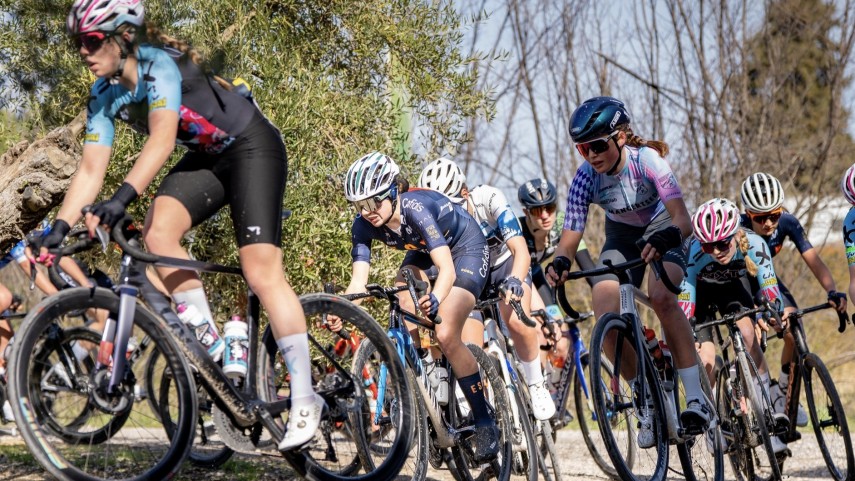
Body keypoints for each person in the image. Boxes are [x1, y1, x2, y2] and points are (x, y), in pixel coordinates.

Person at [32, 0, 320, 451]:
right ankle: (214, 344)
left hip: (251, 147)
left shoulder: (157, 64)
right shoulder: (105, 94)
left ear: (123, 36)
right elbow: (90, 170)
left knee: (261, 272)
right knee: (158, 234)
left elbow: (163, 139)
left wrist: (121, 198)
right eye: (77, 44)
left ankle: (304, 396)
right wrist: (58, 228)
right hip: (208, 157)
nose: (83, 53)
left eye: (90, 41)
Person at [546, 96, 711, 448]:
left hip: (664, 225)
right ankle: (644, 398)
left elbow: (683, 219)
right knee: (603, 306)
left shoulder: (648, 161)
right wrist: (560, 260)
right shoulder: (585, 178)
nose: (590, 155)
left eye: (597, 145)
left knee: (663, 297)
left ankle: (696, 399)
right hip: (621, 236)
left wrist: (668, 236)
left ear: (620, 137)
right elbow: (571, 234)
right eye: (582, 148)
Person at [341, 152, 500, 463]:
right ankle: (428, 382)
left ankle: (484, 419)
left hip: (465, 247)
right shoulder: (363, 225)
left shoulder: (415, 208)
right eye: (360, 206)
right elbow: (357, 282)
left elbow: (447, 270)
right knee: (402, 295)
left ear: (391, 192)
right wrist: (341, 310)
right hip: (424, 250)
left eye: (374, 202)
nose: (367, 212)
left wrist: (437, 297)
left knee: (445, 330)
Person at [417, 157, 556, 421]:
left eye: (451, 205)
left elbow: (520, 251)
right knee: (468, 343)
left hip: (504, 267)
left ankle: (536, 383)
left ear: (465, 194)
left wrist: (516, 279)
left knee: (515, 320)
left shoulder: (488, 199)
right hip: (470, 277)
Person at [679, 198, 790, 456]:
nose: (716, 251)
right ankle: (712, 428)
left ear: (734, 234)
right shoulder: (694, 252)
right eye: (709, 246)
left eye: (721, 244)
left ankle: (766, 414)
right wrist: (687, 330)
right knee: (705, 358)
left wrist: (774, 313)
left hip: (732, 290)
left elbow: (770, 288)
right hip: (701, 296)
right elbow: (686, 301)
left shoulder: (754, 243)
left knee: (749, 335)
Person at [739, 172, 846, 427]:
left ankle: (784, 394)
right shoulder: (738, 228)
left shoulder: (787, 223)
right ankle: (746, 400)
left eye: (773, 216)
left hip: (767, 280)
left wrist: (832, 291)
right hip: (741, 282)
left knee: (793, 326)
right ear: (747, 214)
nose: (767, 223)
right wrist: (754, 311)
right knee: (749, 335)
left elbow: (813, 260)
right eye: (760, 218)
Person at [517, 178, 595, 372]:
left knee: (561, 336)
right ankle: (537, 385)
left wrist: (603, 292)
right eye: (536, 210)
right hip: (521, 278)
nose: (545, 215)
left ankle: (554, 387)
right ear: (526, 212)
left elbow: (588, 267)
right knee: (541, 331)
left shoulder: (561, 222)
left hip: (537, 276)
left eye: (549, 208)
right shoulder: (517, 230)